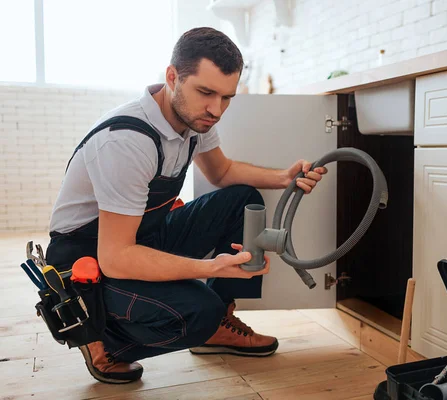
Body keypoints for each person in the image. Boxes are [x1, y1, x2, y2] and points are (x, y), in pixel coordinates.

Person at [45, 27, 328, 385]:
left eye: (227, 97)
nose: (216, 109)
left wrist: (283, 177)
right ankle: (103, 336)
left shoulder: (195, 119)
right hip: (88, 261)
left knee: (243, 200)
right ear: (172, 77)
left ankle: (220, 325)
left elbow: (221, 171)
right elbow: (116, 257)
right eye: (206, 92)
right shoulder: (127, 141)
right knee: (198, 313)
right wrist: (210, 266)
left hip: (140, 236)